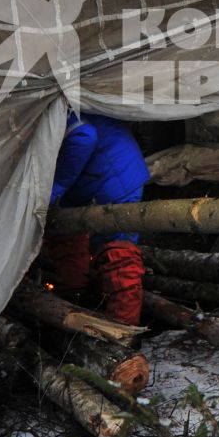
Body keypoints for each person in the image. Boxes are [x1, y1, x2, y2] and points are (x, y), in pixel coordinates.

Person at [42, 112, 149, 325]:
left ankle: (124, 328)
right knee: (63, 234)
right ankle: (73, 300)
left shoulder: (54, 106)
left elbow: (83, 136)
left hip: (113, 178)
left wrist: (56, 188)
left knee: (116, 251)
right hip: (86, 181)